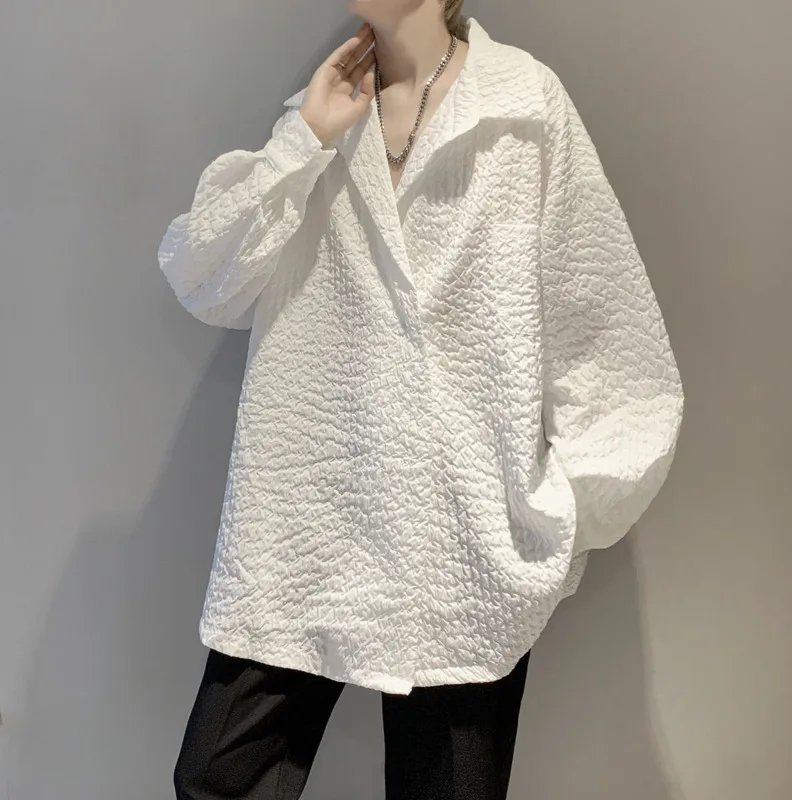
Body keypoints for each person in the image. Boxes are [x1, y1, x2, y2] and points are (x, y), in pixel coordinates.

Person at [158, 1, 684, 798]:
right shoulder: (320, 118)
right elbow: (205, 279)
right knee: (215, 778)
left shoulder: (523, 107)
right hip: (306, 530)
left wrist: (554, 515)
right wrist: (304, 139)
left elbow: (605, 327)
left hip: (461, 547)